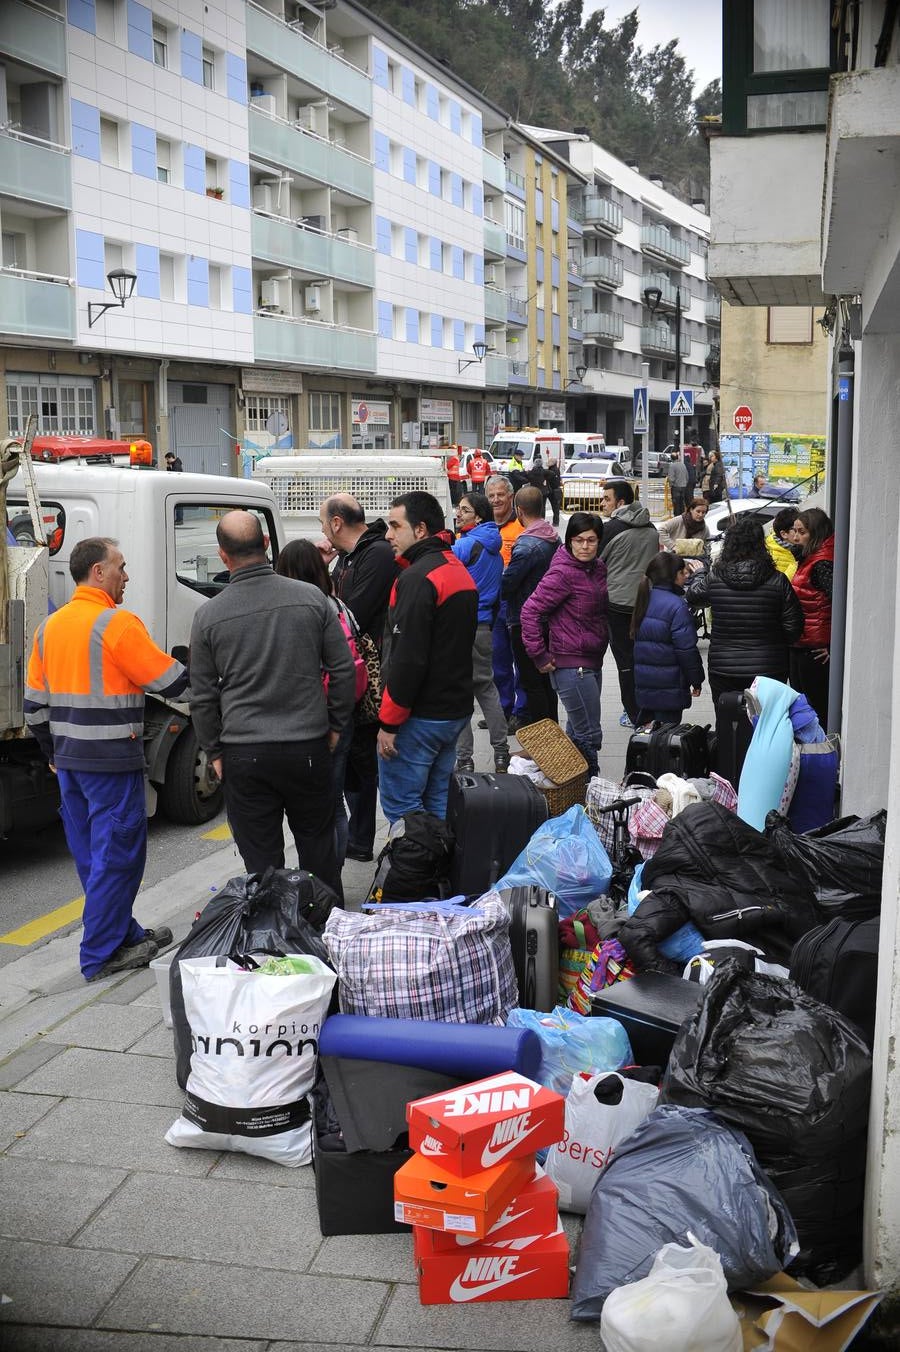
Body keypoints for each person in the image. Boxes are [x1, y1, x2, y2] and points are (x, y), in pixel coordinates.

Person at [24, 537, 187, 982]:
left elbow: (34, 706)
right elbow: (169, 682)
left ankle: (123, 933)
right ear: (98, 572)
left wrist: (53, 752)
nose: (126, 576)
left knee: (95, 858)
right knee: (118, 857)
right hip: (111, 761)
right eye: (121, 566)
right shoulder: (116, 623)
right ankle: (99, 955)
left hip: (71, 765)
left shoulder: (49, 627)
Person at [189, 511, 355, 896]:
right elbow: (343, 671)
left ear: (222, 556)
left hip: (244, 753)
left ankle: (273, 946)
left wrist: (214, 750)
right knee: (319, 853)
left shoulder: (208, 615)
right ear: (265, 545)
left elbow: (202, 695)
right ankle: (327, 934)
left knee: (262, 866)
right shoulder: (312, 598)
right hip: (308, 747)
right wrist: (333, 727)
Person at [377, 491, 478, 822]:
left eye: (395, 526)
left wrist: (389, 722)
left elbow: (407, 657)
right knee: (436, 802)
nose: (388, 535)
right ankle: (439, 870)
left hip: (420, 716)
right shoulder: (455, 568)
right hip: (453, 711)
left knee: (403, 809)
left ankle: (414, 872)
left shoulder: (418, 578)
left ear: (420, 530)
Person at [320, 494, 398, 863]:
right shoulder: (349, 557)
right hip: (350, 671)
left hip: (367, 676)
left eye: (323, 524)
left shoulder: (377, 554)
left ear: (337, 523)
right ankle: (356, 835)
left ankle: (361, 838)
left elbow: (354, 614)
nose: (323, 532)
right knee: (353, 760)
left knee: (363, 761)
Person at [275, 539, 360, 868]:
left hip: (309, 716)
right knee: (334, 801)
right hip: (342, 710)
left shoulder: (296, 610)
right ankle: (332, 874)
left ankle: (323, 876)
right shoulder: (337, 604)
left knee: (313, 808)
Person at [520, 512, 609, 776]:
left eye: (591, 540)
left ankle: (570, 786)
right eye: (578, 540)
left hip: (591, 659)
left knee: (577, 731)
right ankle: (588, 786)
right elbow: (530, 611)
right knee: (589, 734)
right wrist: (539, 655)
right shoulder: (563, 573)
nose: (585, 546)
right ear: (569, 541)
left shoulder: (597, 568)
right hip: (571, 664)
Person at [687, 512, 804, 706]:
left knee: (728, 720)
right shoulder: (777, 580)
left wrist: (700, 573)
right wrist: (775, 643)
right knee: (767, 724)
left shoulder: (715, 578)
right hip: (769, 667)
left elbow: (693, 597)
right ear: (761, 544)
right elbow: (794, 627)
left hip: (724, 666)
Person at [451, 493, 509, 773]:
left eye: (465, 510)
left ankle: (464, 758)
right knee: (487, 689)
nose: (459, 513)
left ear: (479, 516)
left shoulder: (463, 546)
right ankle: (501, 752)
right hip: (485, 626)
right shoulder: (495, 551)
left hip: (461, 628)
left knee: (460, 692)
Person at [598, 480, 660, 730]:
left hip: (618, 604)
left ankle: (634, 713)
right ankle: (649, 708)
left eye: (607, 498)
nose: (602, 503)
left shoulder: (611, 528)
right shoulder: (651, 526)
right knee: (644, 657)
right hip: (646, 600)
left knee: (625, 662)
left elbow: (596, 561)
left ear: (620, 503)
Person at [502, 485, 561, 726]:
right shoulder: (552, 537)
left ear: (519, 510)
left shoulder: (526, 545)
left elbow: (507, 585)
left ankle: (544, 743)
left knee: (532, 684)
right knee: (547, 683)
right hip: (550, 617)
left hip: (525, 620)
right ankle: (554, 736)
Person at [632, 552, 704, 728]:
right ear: (673, 576)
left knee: (650, 734)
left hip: (645, 681)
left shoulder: (644, 598)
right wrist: (696, 679)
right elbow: (686, 650)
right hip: (670, 684)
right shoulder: (677, 606)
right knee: (665, 736)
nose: (686, 577)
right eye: (683, 573)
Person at [485, 474, 527, 728]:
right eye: (491, 495)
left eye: (501, 494)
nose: (496, 500)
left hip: (516, 602)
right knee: (497, 660)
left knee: (520, 660)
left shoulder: (521, 528)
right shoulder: (485, 529)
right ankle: (502, 709)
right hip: (491, 603)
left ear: (511, 497)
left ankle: (521, 712)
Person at [789, 507, 835, 727]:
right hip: (804, 644)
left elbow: (840, 604)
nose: (795, 537)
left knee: (814, 710)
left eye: (802, 532)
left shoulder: (822, 563)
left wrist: (833, 646)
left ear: (815, 533)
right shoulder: (809, 559)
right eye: (794, 530)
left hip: (815, 651)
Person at [766, 507, 800, 580]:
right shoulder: (771, 556)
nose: (801, 533)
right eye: (796, 530)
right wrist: (795, 566)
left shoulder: (800, 548)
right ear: (784, 534)